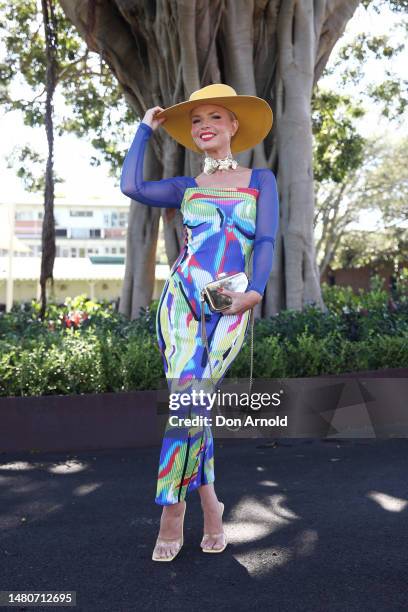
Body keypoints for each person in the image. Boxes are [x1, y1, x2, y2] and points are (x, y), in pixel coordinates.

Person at [120, 84, 279, 561]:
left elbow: (267, 241)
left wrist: (255, 293)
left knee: (194, 404)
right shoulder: (186, 187)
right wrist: (145, 131)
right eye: (195, 120)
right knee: (188, 403)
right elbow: (131, 186)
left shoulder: (261, 179)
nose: (204, 125)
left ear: (234, 126)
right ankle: (175, 510)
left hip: (232, 304)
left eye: (215, 117)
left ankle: (206, 503)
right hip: (182, 301)